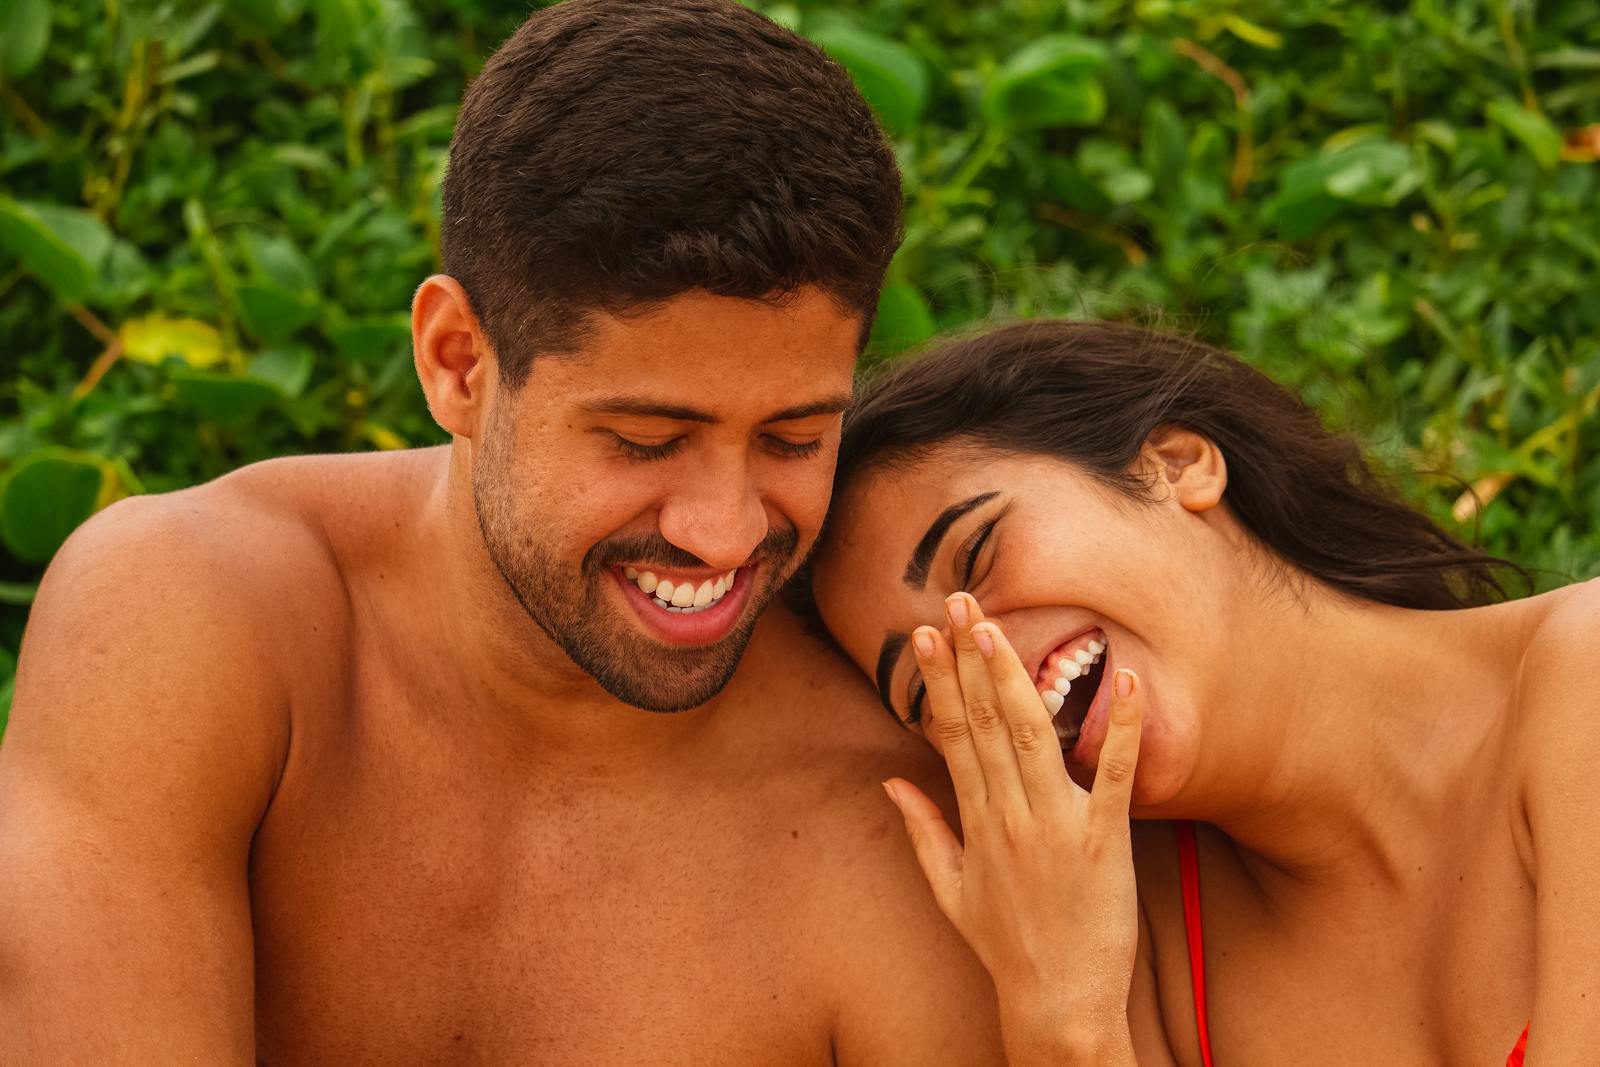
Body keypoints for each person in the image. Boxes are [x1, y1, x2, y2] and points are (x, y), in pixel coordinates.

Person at [0, 3, 1007, 1061]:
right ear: (457, 362)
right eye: (644, 440)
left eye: (794, 437)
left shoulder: (893, 812)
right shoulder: (192, 622)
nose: (724, 533)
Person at [808, 319, 1599, 1064]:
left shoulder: (1582, 675)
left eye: (977, 551)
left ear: (1179, 464)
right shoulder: (1120, 942)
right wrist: (1063, 1019)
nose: (988, 668)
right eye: (925, 687)